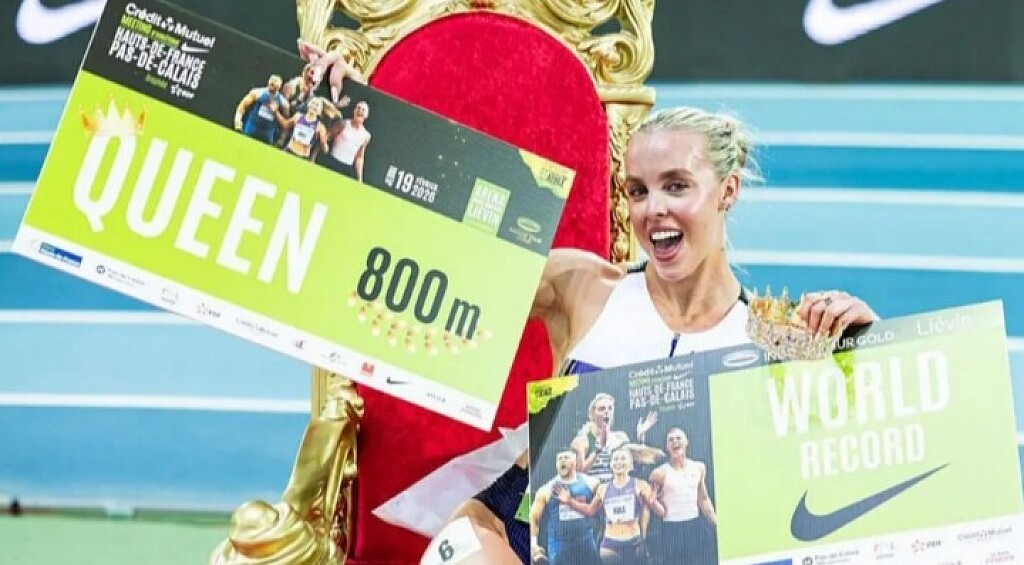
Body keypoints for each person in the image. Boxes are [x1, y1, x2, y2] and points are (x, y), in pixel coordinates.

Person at [432, 105, 879, 564]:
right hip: (525, 534)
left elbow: (864, 470)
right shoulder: (582, 288)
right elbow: (445, 277)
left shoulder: (774, 342)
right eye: (638, 191)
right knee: (458, 551)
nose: (654, 209)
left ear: (728, 190)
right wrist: (399, 163)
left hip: (655, 542)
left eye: (677, 186)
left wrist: (874, 347)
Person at [556, 448, 660, 564]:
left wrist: (654, 503)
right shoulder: (603, 488)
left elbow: (661, 512)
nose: (618, 462)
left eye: (623, 459)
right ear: (610, 464)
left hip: (634, 542)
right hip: (610, 543)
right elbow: (590, 511)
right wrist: (570, 501)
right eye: (615, 459)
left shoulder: (640, 485)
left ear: (630, 465)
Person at [648, 428, 716, 564]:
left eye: (678, 438)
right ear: (667, 447)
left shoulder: (699, 467)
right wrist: (653, 503)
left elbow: (703, 499)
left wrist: (716, 523)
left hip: (695, 526)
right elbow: (654, 504)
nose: (675, 442)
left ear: (686, 442)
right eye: (671, 440)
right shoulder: (659, 473)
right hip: (671, 529)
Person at [529, 450, 601, 564]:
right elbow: (533, 518)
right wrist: (533, 544)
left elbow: (601, 508)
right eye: (559, 459)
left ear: (575, 461)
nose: (562, 460)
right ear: (556, 464)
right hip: (559, 545)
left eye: (566, 457)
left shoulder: (591, 483)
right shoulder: (545, 490)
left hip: (585, 542)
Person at [571, 393, 656, 484]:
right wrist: (598, 449)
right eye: (601, 409)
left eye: (610, 408)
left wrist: (641, 437)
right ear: (591, 415)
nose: (606, 411)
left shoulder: (620, 437)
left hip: (618, 489)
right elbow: (579, 473)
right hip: (595, 489)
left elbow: (635, 468)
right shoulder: (583, 440)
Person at [322, 100, 372, 182]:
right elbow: (327, 137)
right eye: (358, 108)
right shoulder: (343, 124)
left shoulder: (366, 135)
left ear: (366, 115)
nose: (360, 111)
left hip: (346, 168)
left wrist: (360, 178)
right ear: (354, 111)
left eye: (363, 110)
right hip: (332, 162)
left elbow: (359, 157)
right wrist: (324, 146)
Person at [234, 74, 289, 144]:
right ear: (268, 82)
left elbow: (285, 122)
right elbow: (242, 106)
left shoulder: (283, 103)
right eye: (271, 84)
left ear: (279, 87)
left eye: (275, 86)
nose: (272, 87)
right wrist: (237, 120)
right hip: (252, 127)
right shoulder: (257, 93)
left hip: (268, 133)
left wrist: (282, 138)